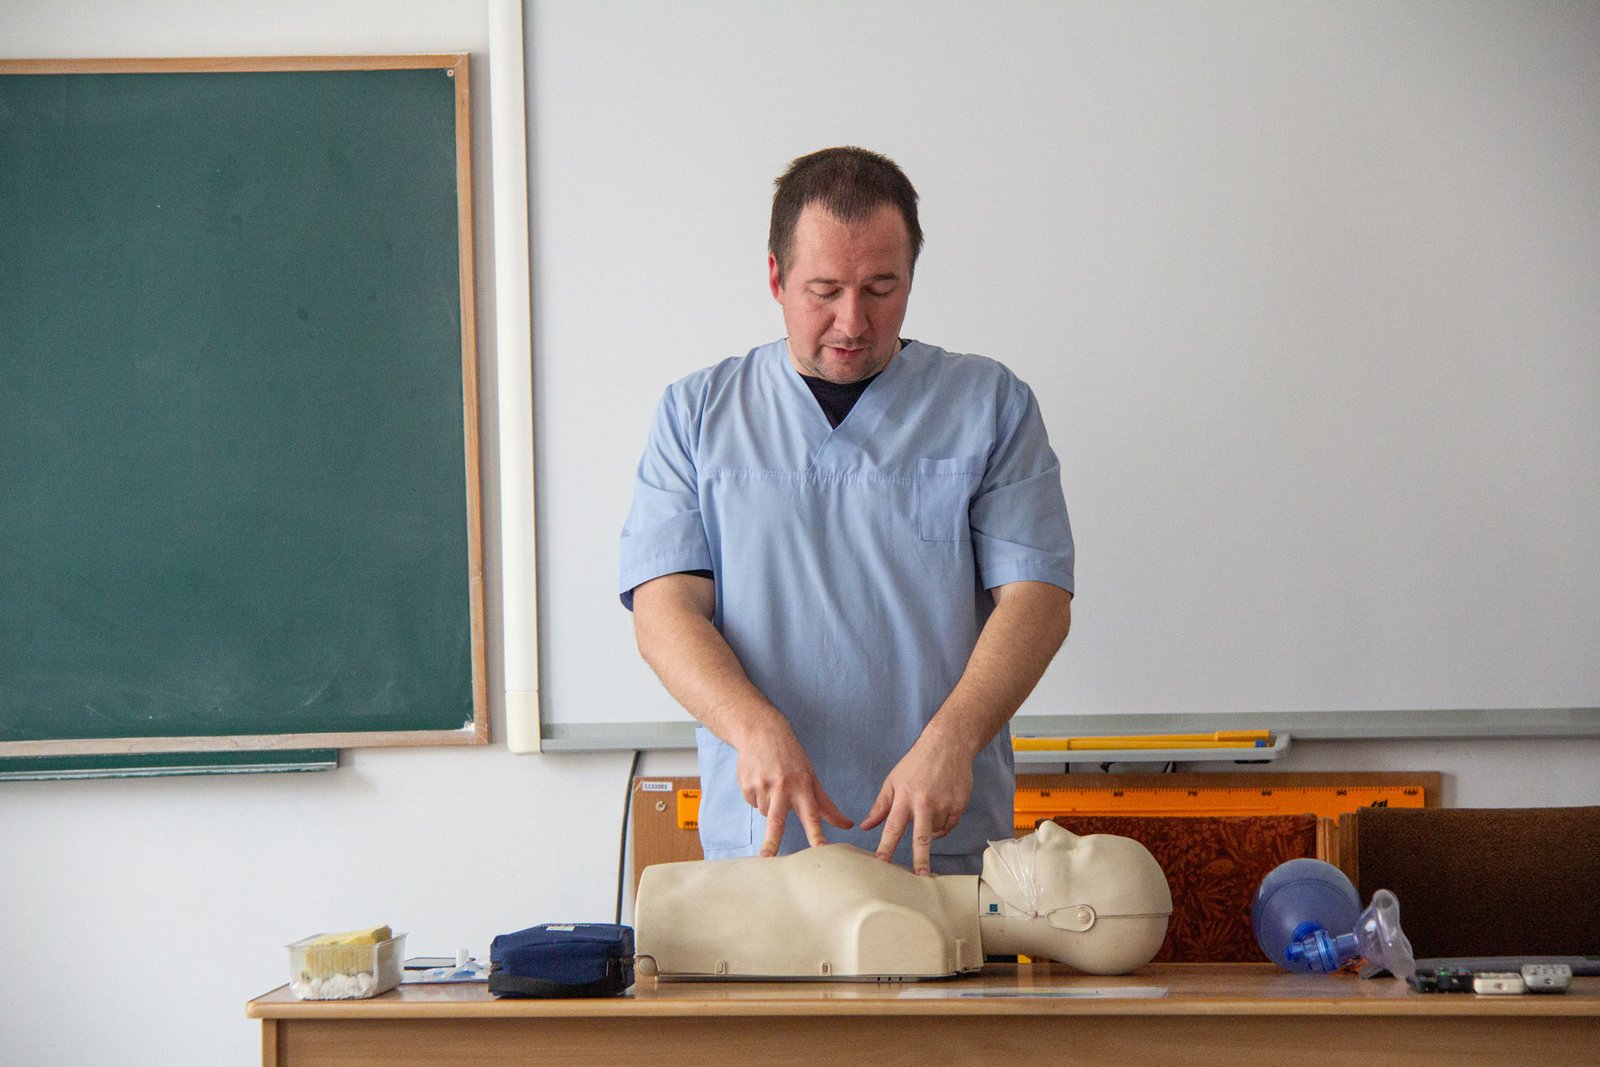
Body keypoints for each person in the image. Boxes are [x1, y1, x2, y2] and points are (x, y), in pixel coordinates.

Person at [619, 146, 1074, 875]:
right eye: (824, 291)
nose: (853, 321)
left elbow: (1038, 601)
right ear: (776, 277)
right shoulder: (697, 414)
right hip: (765, 847)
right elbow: (663, 611)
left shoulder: (990, 405)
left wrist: (953, 740)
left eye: (881, 288)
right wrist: (752, 727)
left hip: (939, 843)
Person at [633, 822, 1174, 979]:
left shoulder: (905, 927)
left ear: (1078, 919)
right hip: (673, 928)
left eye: (1075, 853)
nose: (1052, 829)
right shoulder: (906, 904)